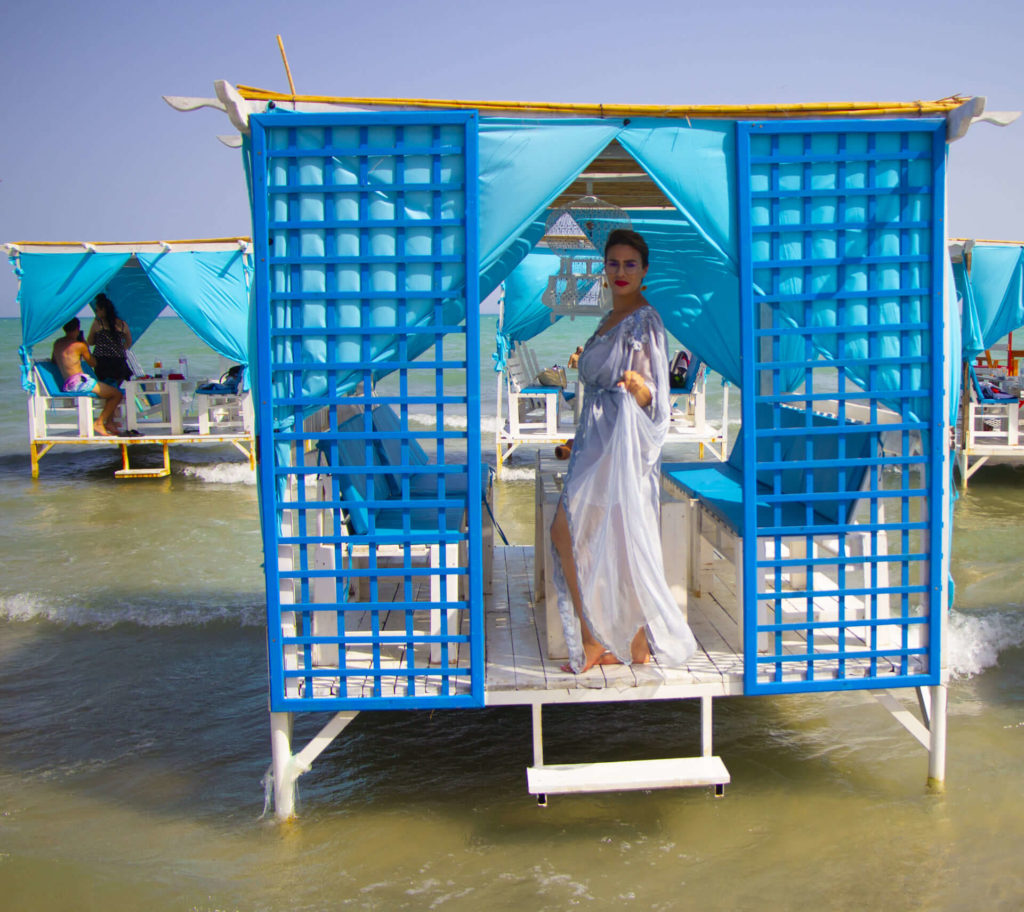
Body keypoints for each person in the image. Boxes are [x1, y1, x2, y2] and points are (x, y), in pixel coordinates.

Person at [550, 229, 697, 674]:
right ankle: (628, 642)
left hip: (617, 449)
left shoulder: (644, 320)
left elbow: (657, 398)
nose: (620, 272)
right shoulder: (611, 318)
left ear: (644, 270)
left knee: (570, 531)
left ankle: (602, 639)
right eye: (612, 263)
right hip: (596, 442)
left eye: (630, 264)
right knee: (611, 538)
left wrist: (642, 391)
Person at [51, 317, 124, 436]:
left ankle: (109, 423)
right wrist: (85, 345)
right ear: (77, 329)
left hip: (68, 384)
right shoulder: (79, 345)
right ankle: (99, 423)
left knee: (108, 389)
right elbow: (93, 363)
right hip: (80, 383)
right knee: (116, 394)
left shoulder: (57, 343)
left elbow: (54, 360)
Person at [87, 293, 134, 384]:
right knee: (116, 388)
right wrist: (118, 349)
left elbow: (90, 341)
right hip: (119, 363)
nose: (96, 313)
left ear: (103, 310)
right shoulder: (122, 324)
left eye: (97, 310)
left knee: (105, 389)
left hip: (102, 363)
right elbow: (128, 342)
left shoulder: (98, 323)